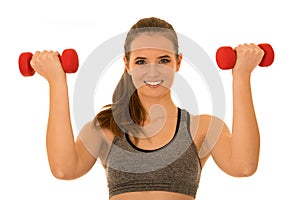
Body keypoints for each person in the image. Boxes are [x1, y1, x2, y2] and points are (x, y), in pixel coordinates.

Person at [30, 17, 262, 200]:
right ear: (127, 64)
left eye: (163, 60)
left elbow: (243, 166)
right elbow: (64, 169)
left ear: (178, 62)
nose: (153, 72)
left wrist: (241, 75)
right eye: (141, 61)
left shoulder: (202, 127)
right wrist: (56, 81)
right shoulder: (106, 127)